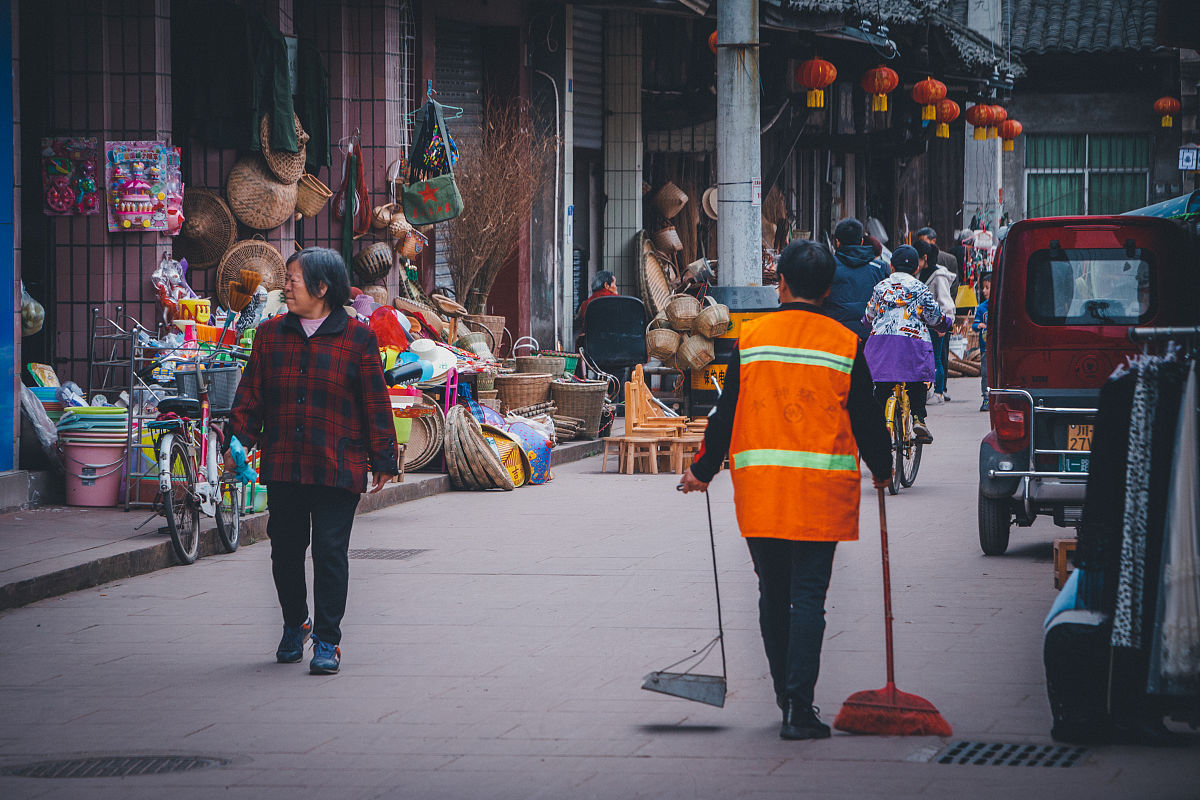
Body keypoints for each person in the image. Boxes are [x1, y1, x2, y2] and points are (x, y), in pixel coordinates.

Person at [678, 239, 893, 741]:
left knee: (773, 593)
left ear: (784, 284)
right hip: (821, 493)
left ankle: (785, 697)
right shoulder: (846, 343)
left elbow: (725, 415)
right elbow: (866, 418)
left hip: (764, 491)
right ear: (828, 289)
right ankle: (799, 706)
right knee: (809, 597)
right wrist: (882, 469)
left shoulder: (753, 340)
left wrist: (703, 471)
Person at [228, 247, 398, 675]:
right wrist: (236, 442)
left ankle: (327, 640)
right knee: (285, 550)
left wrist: (383, 458)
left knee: (329, 551)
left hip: (337, 465)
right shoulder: (270, 335)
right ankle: (294, 623)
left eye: (293, 280)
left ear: (322, 288)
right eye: (286, 279)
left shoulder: (358, 338)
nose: (285, 286)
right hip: (285, 462)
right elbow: (251, 395)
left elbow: (374, 402)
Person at [863, 244, 953, 444]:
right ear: (916, 269)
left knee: (881, 386)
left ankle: (879, 423)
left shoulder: (881, 287)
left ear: (891, 267)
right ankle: (919, 419)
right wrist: (944, 324)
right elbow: (933, 315)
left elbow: (869, 314)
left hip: (881, 343)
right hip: (912, 343)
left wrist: (866, 323)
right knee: (917, 383)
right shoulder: (920, 288)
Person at [824, 218, 890, 339]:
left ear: (837, 242)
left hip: (835, 336)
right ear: (861, 241)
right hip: (870, 338)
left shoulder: (827, 266)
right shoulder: (880, 268)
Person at [916, 239, 956, 403]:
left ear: (924, 257)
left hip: (936, 324)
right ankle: (926, 390)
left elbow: (946, 303)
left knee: (936, 359)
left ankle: (939, 390)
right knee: (924, 358)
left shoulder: (939, 275)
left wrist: (944, 325)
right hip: (922, 324)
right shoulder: (919, 273)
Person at [916, 225, 961, 296]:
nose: (921, 244)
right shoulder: (918, 257)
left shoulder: (949, 259)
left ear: (933, 241)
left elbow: (954, 285)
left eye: (923, 241)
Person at [973, 271, 990, 411]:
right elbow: (974, 325)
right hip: (985, 348)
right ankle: (986, 398)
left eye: (987, 287)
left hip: (997, 348)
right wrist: (978, 325)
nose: (984, 291)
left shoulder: (1001, 305)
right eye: (983, 287)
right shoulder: (981, 308)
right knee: (985, 373)